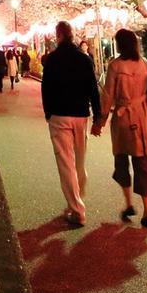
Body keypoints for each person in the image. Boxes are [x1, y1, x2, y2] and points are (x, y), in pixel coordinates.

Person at [94, 28, 147, 228]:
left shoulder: (115, 66)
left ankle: (129, 203)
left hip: (123, 119)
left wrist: (100, 122)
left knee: (122, 162)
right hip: (143, 118)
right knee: (145, 165)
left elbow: (107, 97)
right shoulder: (144, 63)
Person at [41, 21, 103, 227]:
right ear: (72, 35)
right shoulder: (84, 59)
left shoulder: (51, 60)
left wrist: (48, 113)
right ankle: (77, 197)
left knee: (66, 163)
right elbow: (93, 89)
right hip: (80, 115)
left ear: (58, 36)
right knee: (79, 162)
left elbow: (46, 89)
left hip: (59, 116)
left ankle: (77, 210)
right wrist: (98, 117)